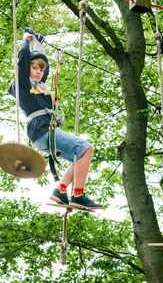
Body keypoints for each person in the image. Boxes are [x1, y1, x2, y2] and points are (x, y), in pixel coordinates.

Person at [8, 28, 102, 210]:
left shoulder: (40, 88)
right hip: (42, 131)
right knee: (86, 148)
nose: (38, 72)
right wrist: (26, 41)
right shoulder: (22, 85)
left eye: (40, 70)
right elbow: (22, 61)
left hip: (45, 133)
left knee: (79, 157)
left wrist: (39, 45)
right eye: (34, 68)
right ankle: (78, 195)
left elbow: (44, 67)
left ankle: (60, 191)